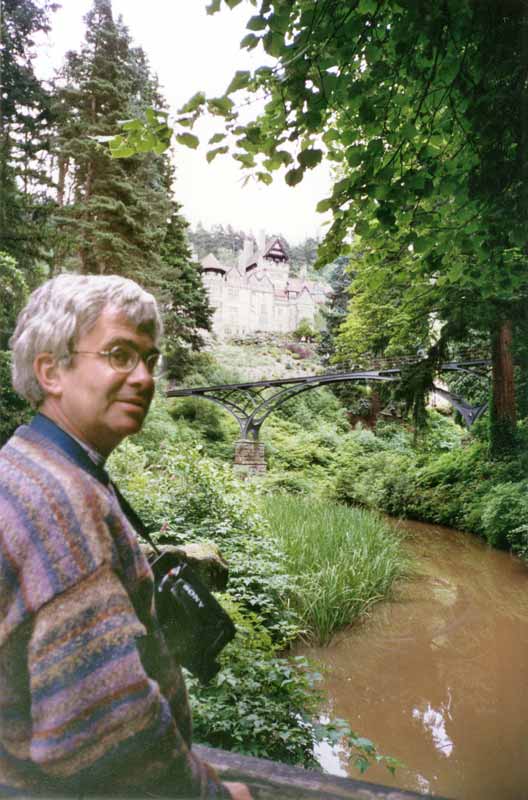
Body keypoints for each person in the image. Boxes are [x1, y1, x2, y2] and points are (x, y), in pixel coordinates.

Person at [0, 274, 251, 799]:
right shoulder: (64, 504)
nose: (143, 377)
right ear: (51, 371)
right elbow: (103, 726)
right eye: (119, 354)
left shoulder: (23, 465)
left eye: (150, 359)